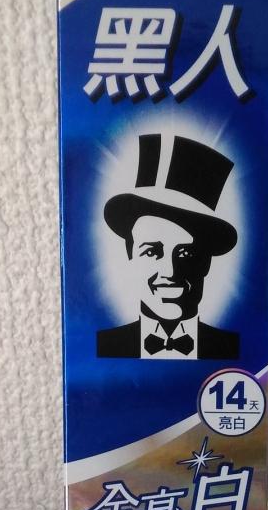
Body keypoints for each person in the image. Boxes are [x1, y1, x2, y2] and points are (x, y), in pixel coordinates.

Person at [97, 133, 240, 360]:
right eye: (151, 251)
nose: (170, 271)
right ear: (130, 255)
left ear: (207, 262)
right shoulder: (105, 347)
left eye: (185, 253)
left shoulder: (233, 350)